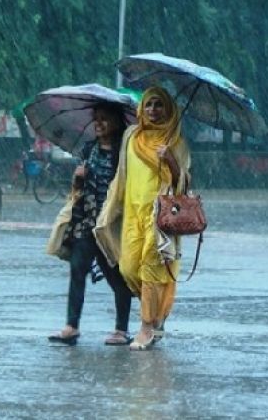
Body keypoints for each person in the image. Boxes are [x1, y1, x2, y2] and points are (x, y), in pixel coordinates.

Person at [94, 86, 192, 351]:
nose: (152, 110)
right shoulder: (130, 136)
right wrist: (109, 210)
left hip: (159, 216)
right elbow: (121, 176)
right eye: (148, 105)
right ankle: (156, 310)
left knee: (151, 267)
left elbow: (184, 185)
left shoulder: (175, 142)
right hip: (131, 214)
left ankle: (146, 327)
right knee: (127, 268)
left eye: (159, 105)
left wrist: (170, 161)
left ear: (168, 109)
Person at [46, 103, 132, 346]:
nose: (99, 124)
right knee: (77, 270)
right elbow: (77, 189)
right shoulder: (88, 149)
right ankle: (71, 326)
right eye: (96, 119)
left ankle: (121, 329)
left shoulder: (124, 153)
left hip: (110, 224)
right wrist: (77, 178)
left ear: (116, 122)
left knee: (117, 276)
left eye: (104, 119)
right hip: (85, 221)